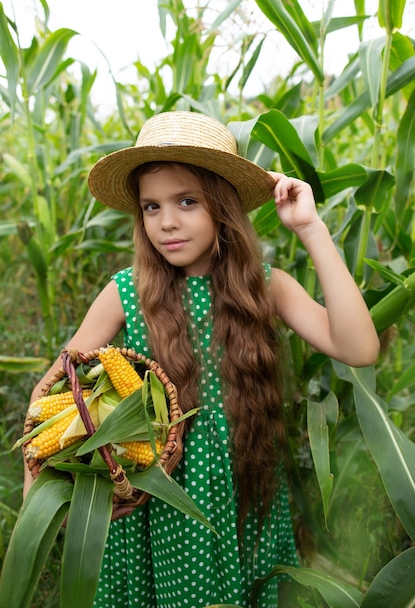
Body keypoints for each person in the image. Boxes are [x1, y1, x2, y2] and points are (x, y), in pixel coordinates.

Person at [24, 111, 380, 607]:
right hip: (158, 501)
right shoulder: (126, 293)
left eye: (186, 201)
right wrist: (40, 499)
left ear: (222, 206)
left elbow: (359, 348)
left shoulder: (266, 286)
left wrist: (311, 229)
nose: (166, 221)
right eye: (151, 207)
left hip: (244, 493)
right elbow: (53, 393)